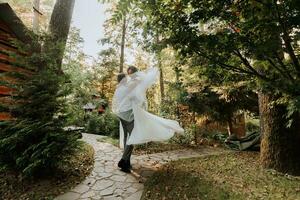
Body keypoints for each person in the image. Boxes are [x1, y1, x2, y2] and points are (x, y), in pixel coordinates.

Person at [112, 66, 184, 173]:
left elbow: (130, 98)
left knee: (127, 137)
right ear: (124, 79)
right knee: (133, 136)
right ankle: (123, 160)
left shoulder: (118, 89)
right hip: (128, 115)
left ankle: (126, 162)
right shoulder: (128, 87)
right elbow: (141, 81)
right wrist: (137, 76)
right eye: (126, 77)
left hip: (121, 115)